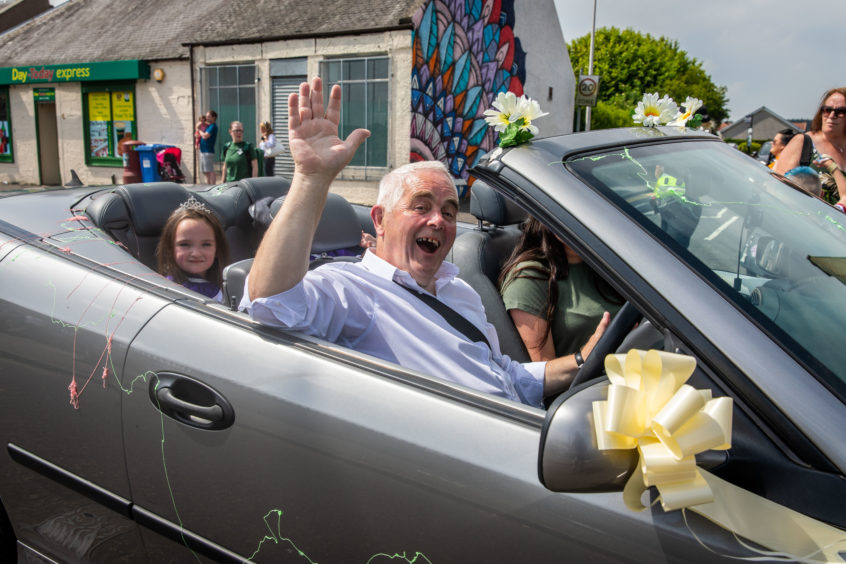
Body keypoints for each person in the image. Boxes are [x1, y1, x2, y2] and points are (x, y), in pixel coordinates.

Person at [244, 77, 609, 407]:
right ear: (380, 220)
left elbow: (505, 375)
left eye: (449, 212)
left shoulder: (460, 291)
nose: (439, 220)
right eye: (421, 206)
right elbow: (270, 303)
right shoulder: (352, 289)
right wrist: (311, 179)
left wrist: (584, 360)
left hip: (526, 430)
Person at [499, 217, 623, 362]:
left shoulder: (606, 264)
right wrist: (591, 352)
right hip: (593, 382)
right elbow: (543, 375)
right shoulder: (528, 278)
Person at [775, 87, 846, 207]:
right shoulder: (803, 142)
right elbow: (778, 189)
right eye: (827, 110)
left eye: (841, 111)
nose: (832, 115)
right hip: (802, 222)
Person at [156, 196, 230, 301]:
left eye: (206, 244)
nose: (196, 253)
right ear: (169, 249)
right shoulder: (167, 288)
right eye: (185, 244)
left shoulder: (224, 286)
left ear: (217, 248)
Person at [197, 110, 218, 184]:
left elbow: (205, 136)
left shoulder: (213, 126)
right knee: (205, 171)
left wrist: (199, 130)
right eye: (206, 116)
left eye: (208, 116)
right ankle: (208, 185)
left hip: (208, 151)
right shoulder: (208, 126)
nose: (207, 118)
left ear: (214, 117)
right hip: (203, 151)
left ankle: (212, 185)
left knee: (210, 170)